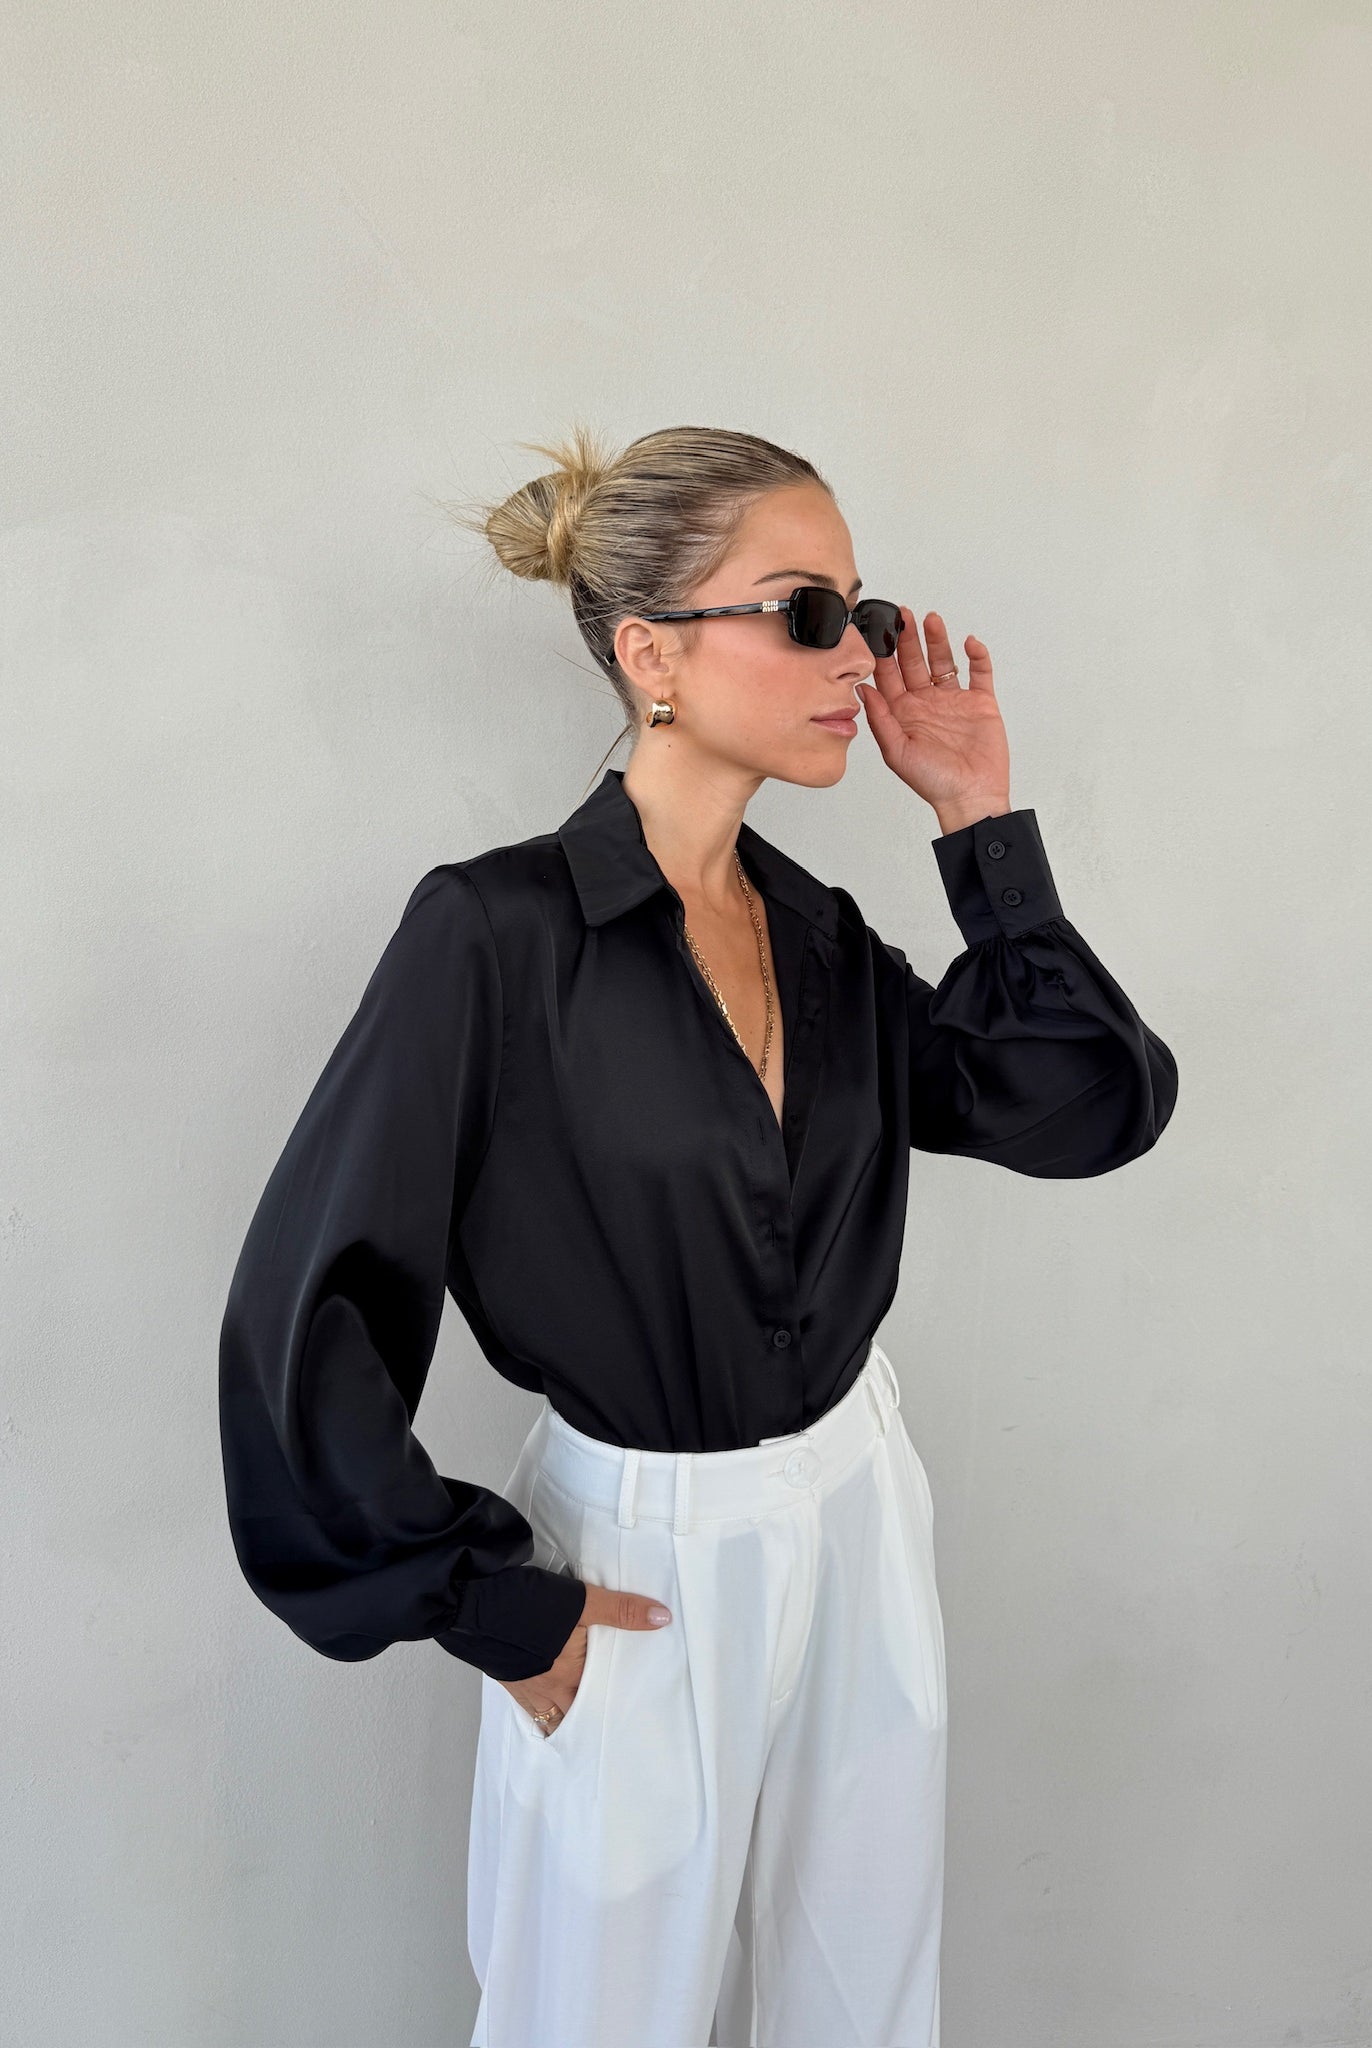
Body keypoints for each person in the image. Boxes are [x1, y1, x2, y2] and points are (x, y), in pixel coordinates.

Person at [218, 422, 1178, 2048]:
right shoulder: (495, 936)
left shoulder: (818, 936)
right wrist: (483, 1601)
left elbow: (1077, 1107)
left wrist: (980, 822)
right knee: (598, 2015)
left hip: (860, 1510)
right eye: (810, 614)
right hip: (637, 1556)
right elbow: (310, 1309)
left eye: (865, 612)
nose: (859, 658)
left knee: (863, 2003)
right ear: (651, 656)